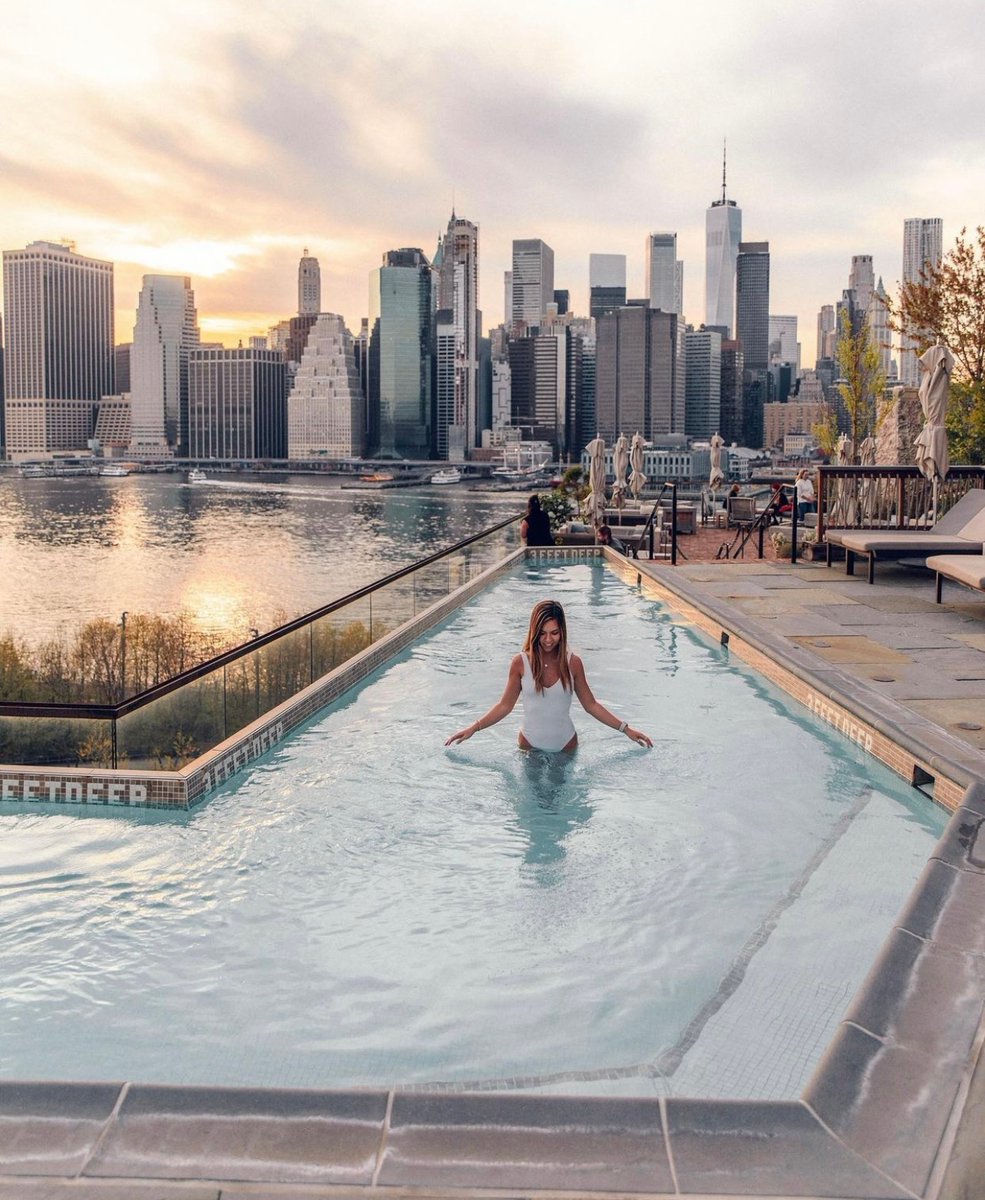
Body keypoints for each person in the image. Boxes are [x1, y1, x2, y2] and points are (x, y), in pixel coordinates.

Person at [445, 599, 653, 752]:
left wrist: (626, 729)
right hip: (529, 746)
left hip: (566, 746)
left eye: (554, 633)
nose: (548, 640)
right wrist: (474, 728)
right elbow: (504, 706)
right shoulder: (520, 663)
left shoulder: (573, 663)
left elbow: (591, 705)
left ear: (562, 631)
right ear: (534, 631)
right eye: (542, 633)